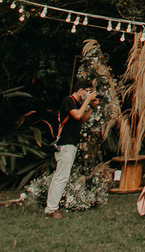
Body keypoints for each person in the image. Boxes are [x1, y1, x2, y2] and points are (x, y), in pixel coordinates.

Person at [45, 79, 97, 218]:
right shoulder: (68, 101)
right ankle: (51, 209)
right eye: (87, 92)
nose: (88, 94)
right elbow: (77, 115)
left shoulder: (77, 104)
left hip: (71, 144)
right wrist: (87, 101)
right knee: (61, 177)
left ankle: (51, 207)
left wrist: (91, 107)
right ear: (80, 90)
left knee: (60, 176)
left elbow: (82, 119)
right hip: (65, 144)